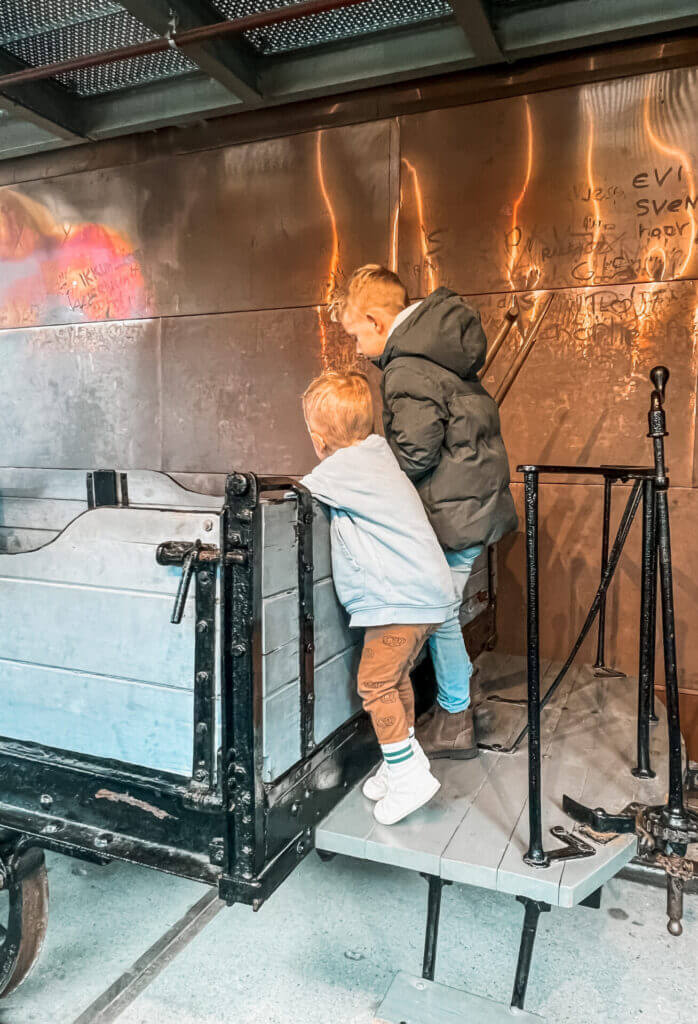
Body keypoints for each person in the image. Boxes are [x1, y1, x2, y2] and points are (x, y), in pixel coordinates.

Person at [337, 265, 518, 759]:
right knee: (446, 612)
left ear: (376, 321)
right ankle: (459, 697)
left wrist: (363, 479)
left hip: (454, 517)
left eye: (356, 334)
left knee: (437, 615)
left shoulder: (407, 368)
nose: (357, 349)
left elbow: (414, 453)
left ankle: (455, 718)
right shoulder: (443, 354)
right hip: (475, 508)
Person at [299, 371, 459, 825]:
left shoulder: (344, 469)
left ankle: (409, 778)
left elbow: (297, 495)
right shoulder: (377, 458)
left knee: (373, 683)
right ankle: (400, 763)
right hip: (424, 597)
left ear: (318, 437)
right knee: (397, 678)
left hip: (402, 601)